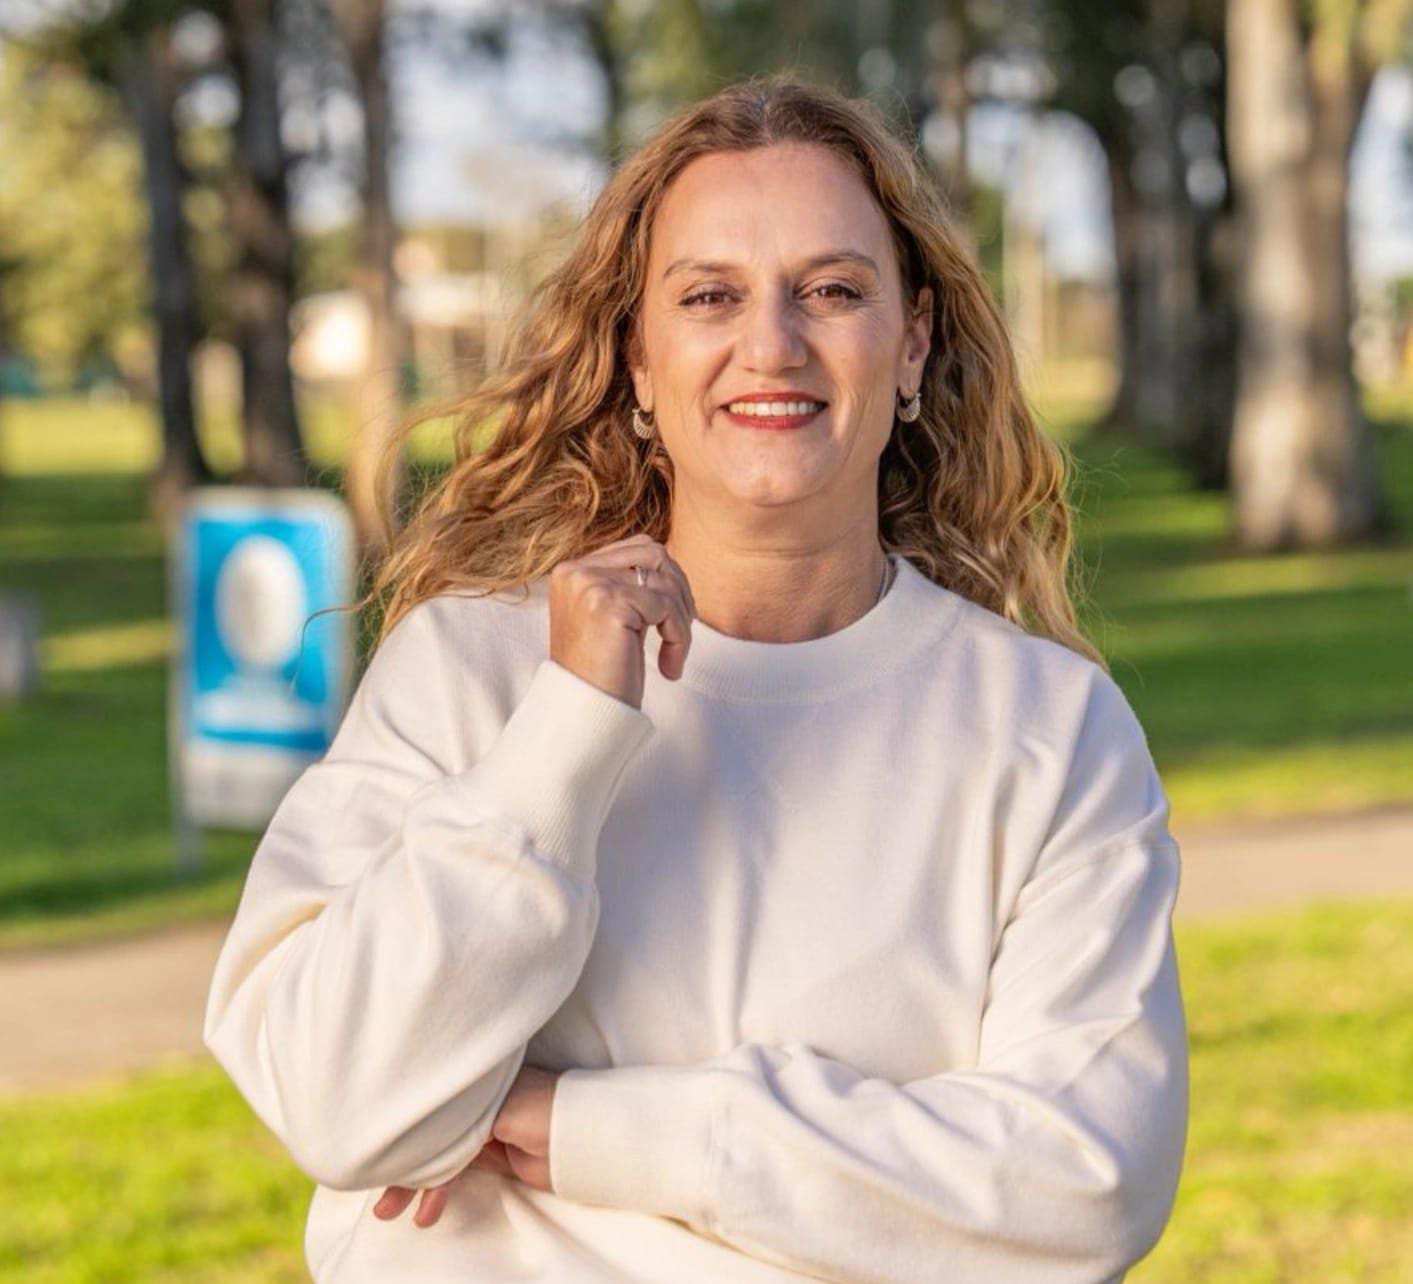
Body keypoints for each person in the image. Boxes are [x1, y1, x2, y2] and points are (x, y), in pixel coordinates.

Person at [203, 72, 1188, 1283]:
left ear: (914, 342)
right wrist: (566, 732)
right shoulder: (466, 674)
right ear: (639, 358)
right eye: (710, 295)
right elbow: (339, 1099)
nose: (770, 345)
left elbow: (1084, 1186)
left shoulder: (1050, 727)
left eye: (833, 291)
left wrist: (590, 1131)